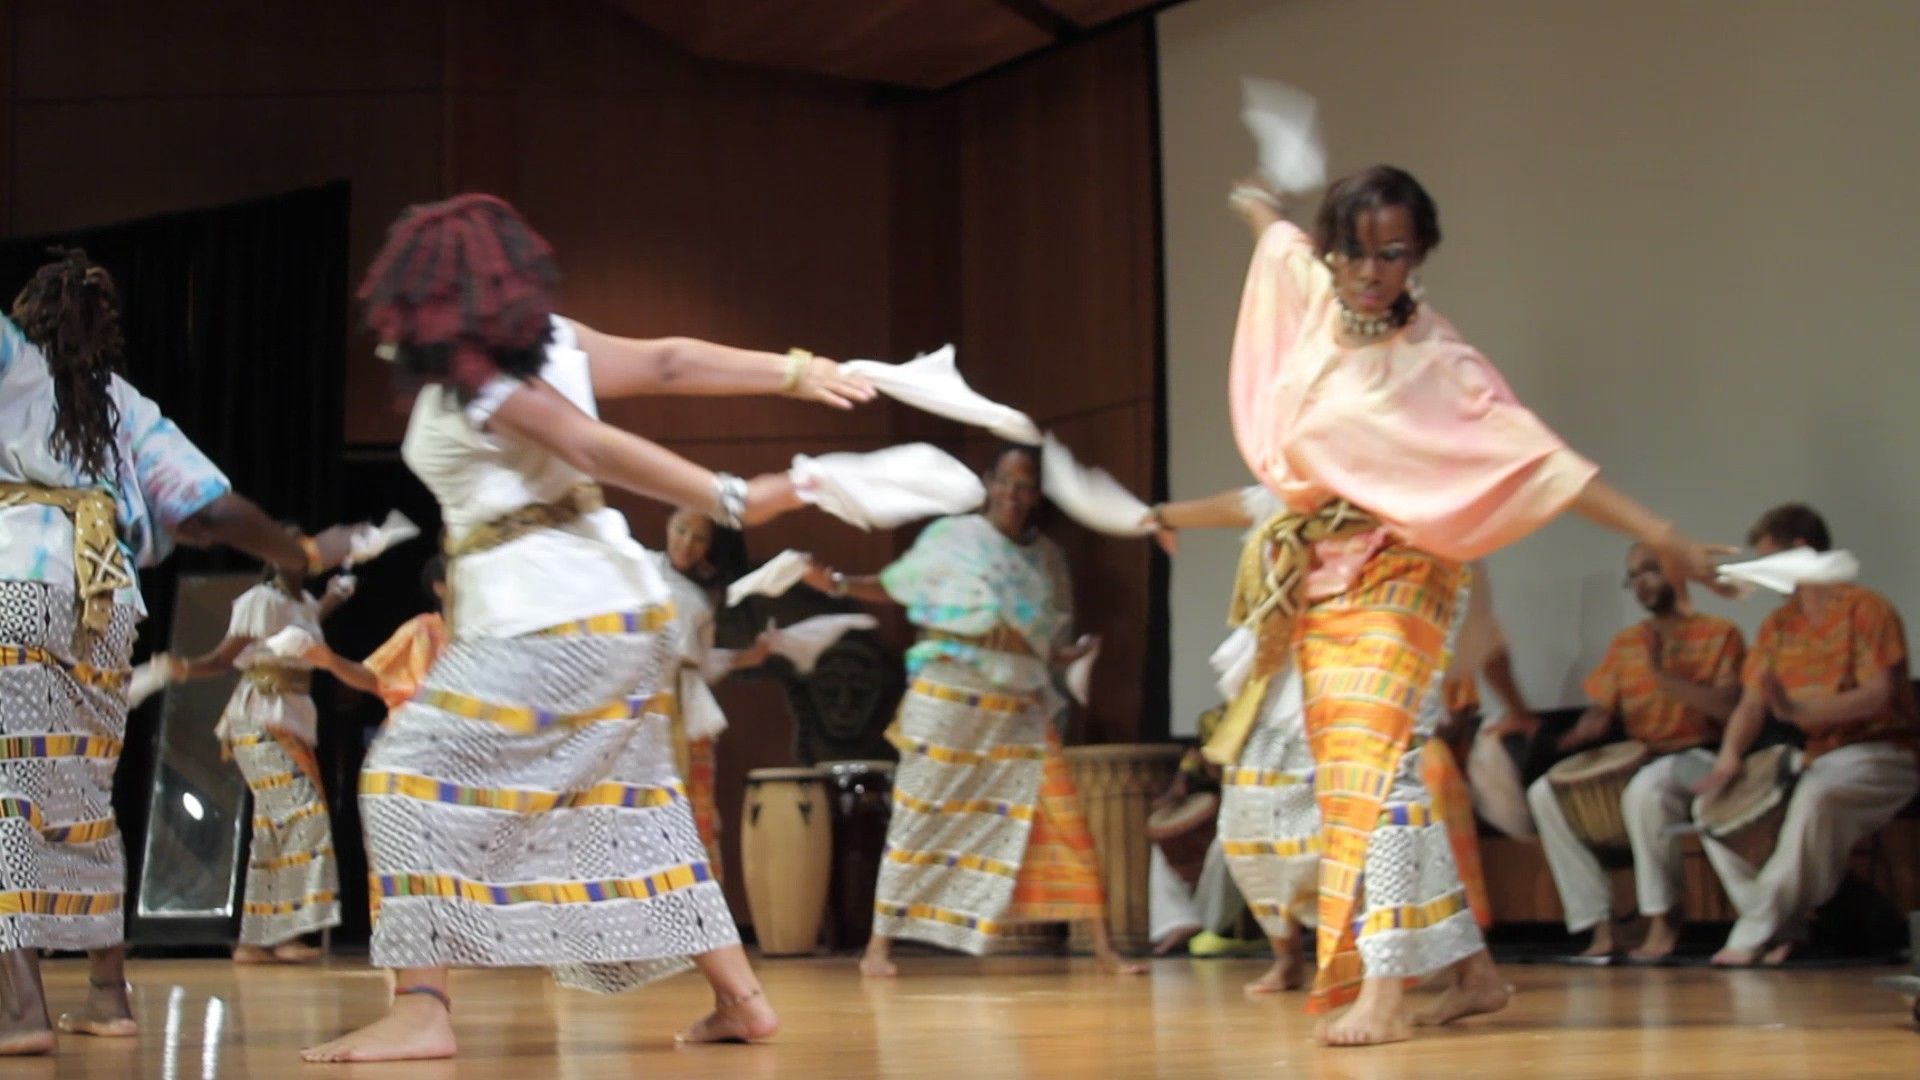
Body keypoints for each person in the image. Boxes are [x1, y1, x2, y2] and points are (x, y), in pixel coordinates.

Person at [299, 194, 877, 1064]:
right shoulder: (552, 341)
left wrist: (737, 497)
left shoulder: (483, 381)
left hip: (549, 613)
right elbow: (670, 362)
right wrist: (794, 370)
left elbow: (591, 446)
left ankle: (422, 1007)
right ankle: (741, 999)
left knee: (399, 778)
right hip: (621, 611)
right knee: (634, 799)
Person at [1221, 167, 1728, 1045]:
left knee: (1376, 772)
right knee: (1367, 776)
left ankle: (1385, 988)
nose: (1371, 271)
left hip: (1403, 573)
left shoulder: (1437, 362)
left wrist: (1664, 534)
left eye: (1393, 253)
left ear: (1419, 255)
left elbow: (1543, 463)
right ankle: (1472, 973)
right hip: (1324, 580)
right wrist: (1259, 203)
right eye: (1355, 252)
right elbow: (1281, 245)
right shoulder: (1316, 294)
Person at [0, 249, 361, 1057]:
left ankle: (21, 1010)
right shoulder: (124, 407)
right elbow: (212, 511)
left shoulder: (12, 364)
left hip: (15, 586)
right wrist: (300, 551)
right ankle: (107, 996)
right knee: (86, 792)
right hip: (104, 603)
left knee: (9, 793)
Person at [803, 443, 1142, 978]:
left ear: (1036, 496)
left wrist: (1073, 654)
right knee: (921, 814)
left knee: (1060, 813)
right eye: (1005, 481)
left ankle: (1104, 950)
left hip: (1016, 702)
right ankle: (878, 947)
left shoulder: (1047, 560)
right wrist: (840, 583)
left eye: (1025, 486)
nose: (1013, 494)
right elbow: (897, 586)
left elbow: (1045, 642)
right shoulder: (952, 537)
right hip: (949, 692)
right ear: (988, 483)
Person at [1152, 486, 1502, 994]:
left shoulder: (1401, 512)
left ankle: (1392, 978)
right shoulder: (1299, 494)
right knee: (1248, 826)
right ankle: (1301, 959)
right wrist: (1158, 514)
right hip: (1289, 686)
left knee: (1371, 818)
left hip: (1359, 683)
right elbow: (1242, 505)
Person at [1695, 504, 1919, 966]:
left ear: (1800, 549)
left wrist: (1801, 711)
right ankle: (1787, 927)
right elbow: (1751, 705)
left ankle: (1752, 934)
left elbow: (1879, 695)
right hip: (1816, 757)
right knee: (1711, 812)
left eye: (1769, 558)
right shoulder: (1778, 626)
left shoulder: (1866, 608)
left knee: (1816, 796)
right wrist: (1729, 758)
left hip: (1881, 754)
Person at [1523, 543, 1744, 960]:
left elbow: (1730, 709)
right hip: (1642, 758)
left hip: (1701, 757)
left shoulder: (1720, 634)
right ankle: (1599, 926)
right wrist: (1586, 728)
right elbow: (1602, 707)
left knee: (1645, 790)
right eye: (1634, 575)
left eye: (1650, 570)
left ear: (1677, 572)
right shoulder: (1627, 643)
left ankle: (1664, 921)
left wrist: (1664, 676)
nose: (1641, 582)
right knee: (1544, 794)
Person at [168, 550, 361, 963]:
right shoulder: (258, 600)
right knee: (304, 816)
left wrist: (335, 596)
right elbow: (224, 658)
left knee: (273, 828)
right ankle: (286, 931)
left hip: (292, 724)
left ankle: (254, 940)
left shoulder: (302, 604)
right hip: (258, 720)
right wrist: (183, 667)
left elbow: (304, 620)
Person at [648, 509, 773, 875]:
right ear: (668, 524)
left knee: (694, 812)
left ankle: (697, 899)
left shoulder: (703, 600)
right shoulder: (638, 568)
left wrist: (748, 658)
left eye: (699, 538)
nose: (686, 543)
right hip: (639, 702)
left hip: (686, 709)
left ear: (709, 546)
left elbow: (697, 666)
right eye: (681, 529)